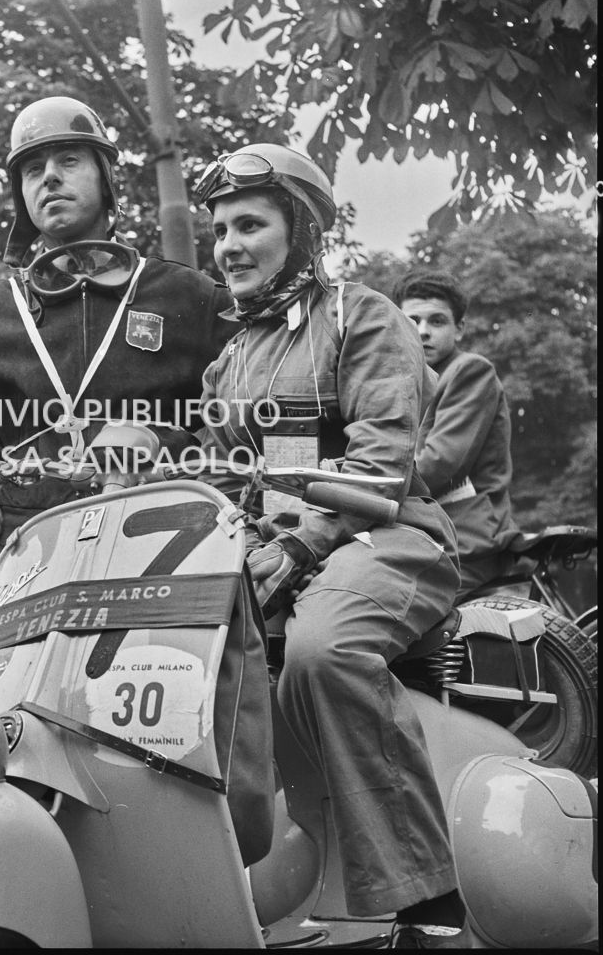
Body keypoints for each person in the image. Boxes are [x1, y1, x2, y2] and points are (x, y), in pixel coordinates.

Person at [193, 144, 469, 947]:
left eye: (250, 224)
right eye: (219, 230)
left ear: (301, 232)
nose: (229, 245)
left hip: (388, 537)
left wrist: (299, 541)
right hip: (277, 553)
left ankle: (428, 903)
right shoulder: (230, 358)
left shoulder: (361, 316)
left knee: (320, 650)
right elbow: (218, 479)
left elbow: (382, 467)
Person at [0, 95, 239, 623]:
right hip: (25, 575)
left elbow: (247, 414)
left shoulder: (190, 297)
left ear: (106, 179)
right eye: (33, 169)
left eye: (68, 162)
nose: (49, 178)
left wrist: (175, 452)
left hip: (163, 561)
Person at [393, 271, 522, 595]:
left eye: (437, 321)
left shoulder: (469, 371)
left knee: (383, 608)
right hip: (423, 534)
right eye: (413, 320)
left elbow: (438, 465)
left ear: (459, 328)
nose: (423, 331)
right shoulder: (403, 380)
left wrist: (362, 488)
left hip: (465, 540)